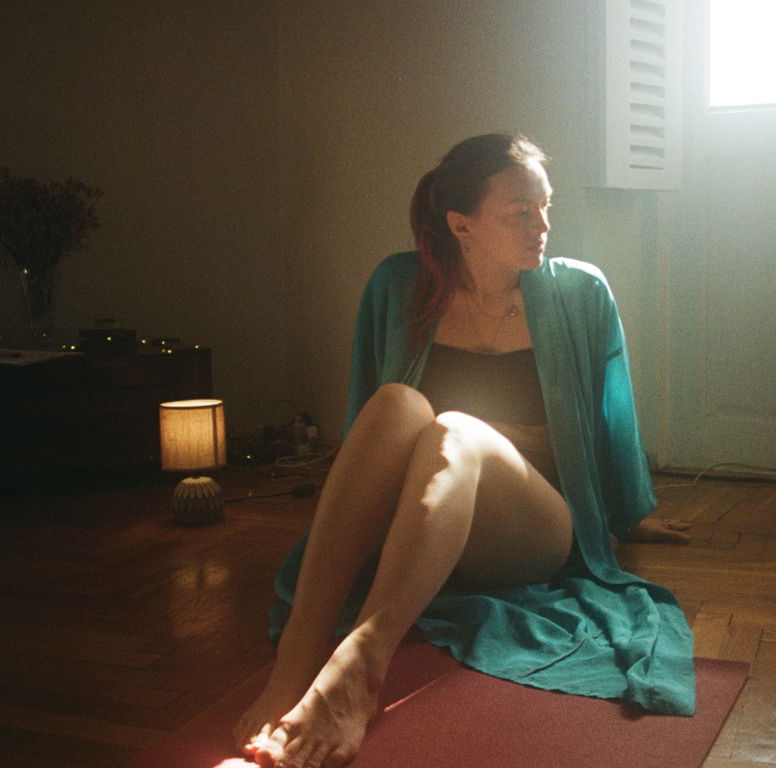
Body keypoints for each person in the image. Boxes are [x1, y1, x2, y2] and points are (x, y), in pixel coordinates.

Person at [233, 133, 695, 768]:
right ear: (461, 225)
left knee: (457, 427)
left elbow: (614, 409)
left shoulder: (580, 292)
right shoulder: (398, 286)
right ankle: (295, 662)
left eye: (546, 207)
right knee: (397, 402)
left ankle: (361, 665)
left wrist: (632, 511)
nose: (543, 225)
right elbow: (367, 416)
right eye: (521, 212)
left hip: (533, 524)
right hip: (425, 515)